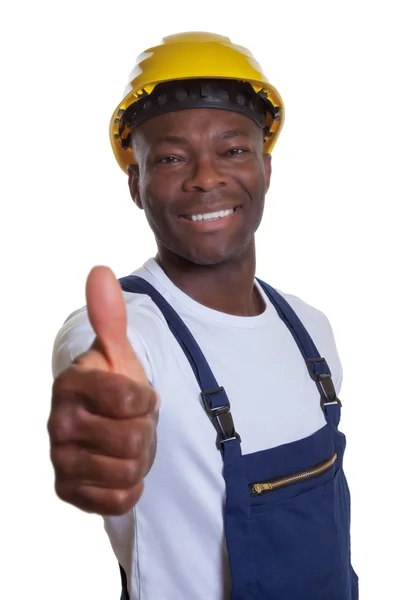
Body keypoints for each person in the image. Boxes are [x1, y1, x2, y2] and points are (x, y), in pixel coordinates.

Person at [48, 32, 358, 600]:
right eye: (170, 157)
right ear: (136, 185)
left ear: (266, 167)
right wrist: (101, 410)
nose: (206, 177)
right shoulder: (131, 332)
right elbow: (97, 362)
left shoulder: (310, 332)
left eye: (232, 149)